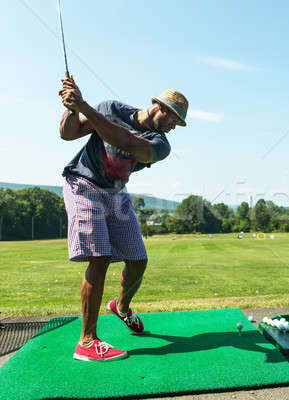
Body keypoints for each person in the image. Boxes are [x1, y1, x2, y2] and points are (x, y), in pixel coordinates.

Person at [58, 75, 188, 361]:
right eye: (173, 119)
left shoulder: (160, 144)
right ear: (159, 106)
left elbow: (128, 143)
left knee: (138, 259)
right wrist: (72, 108)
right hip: (84, 183)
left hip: (116, 193)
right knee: (100, 256)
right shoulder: (110, 108)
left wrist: (85, 107)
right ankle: (87, 341)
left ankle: (122, 306)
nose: (173, 127)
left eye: (178, 124)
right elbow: (68, 134)